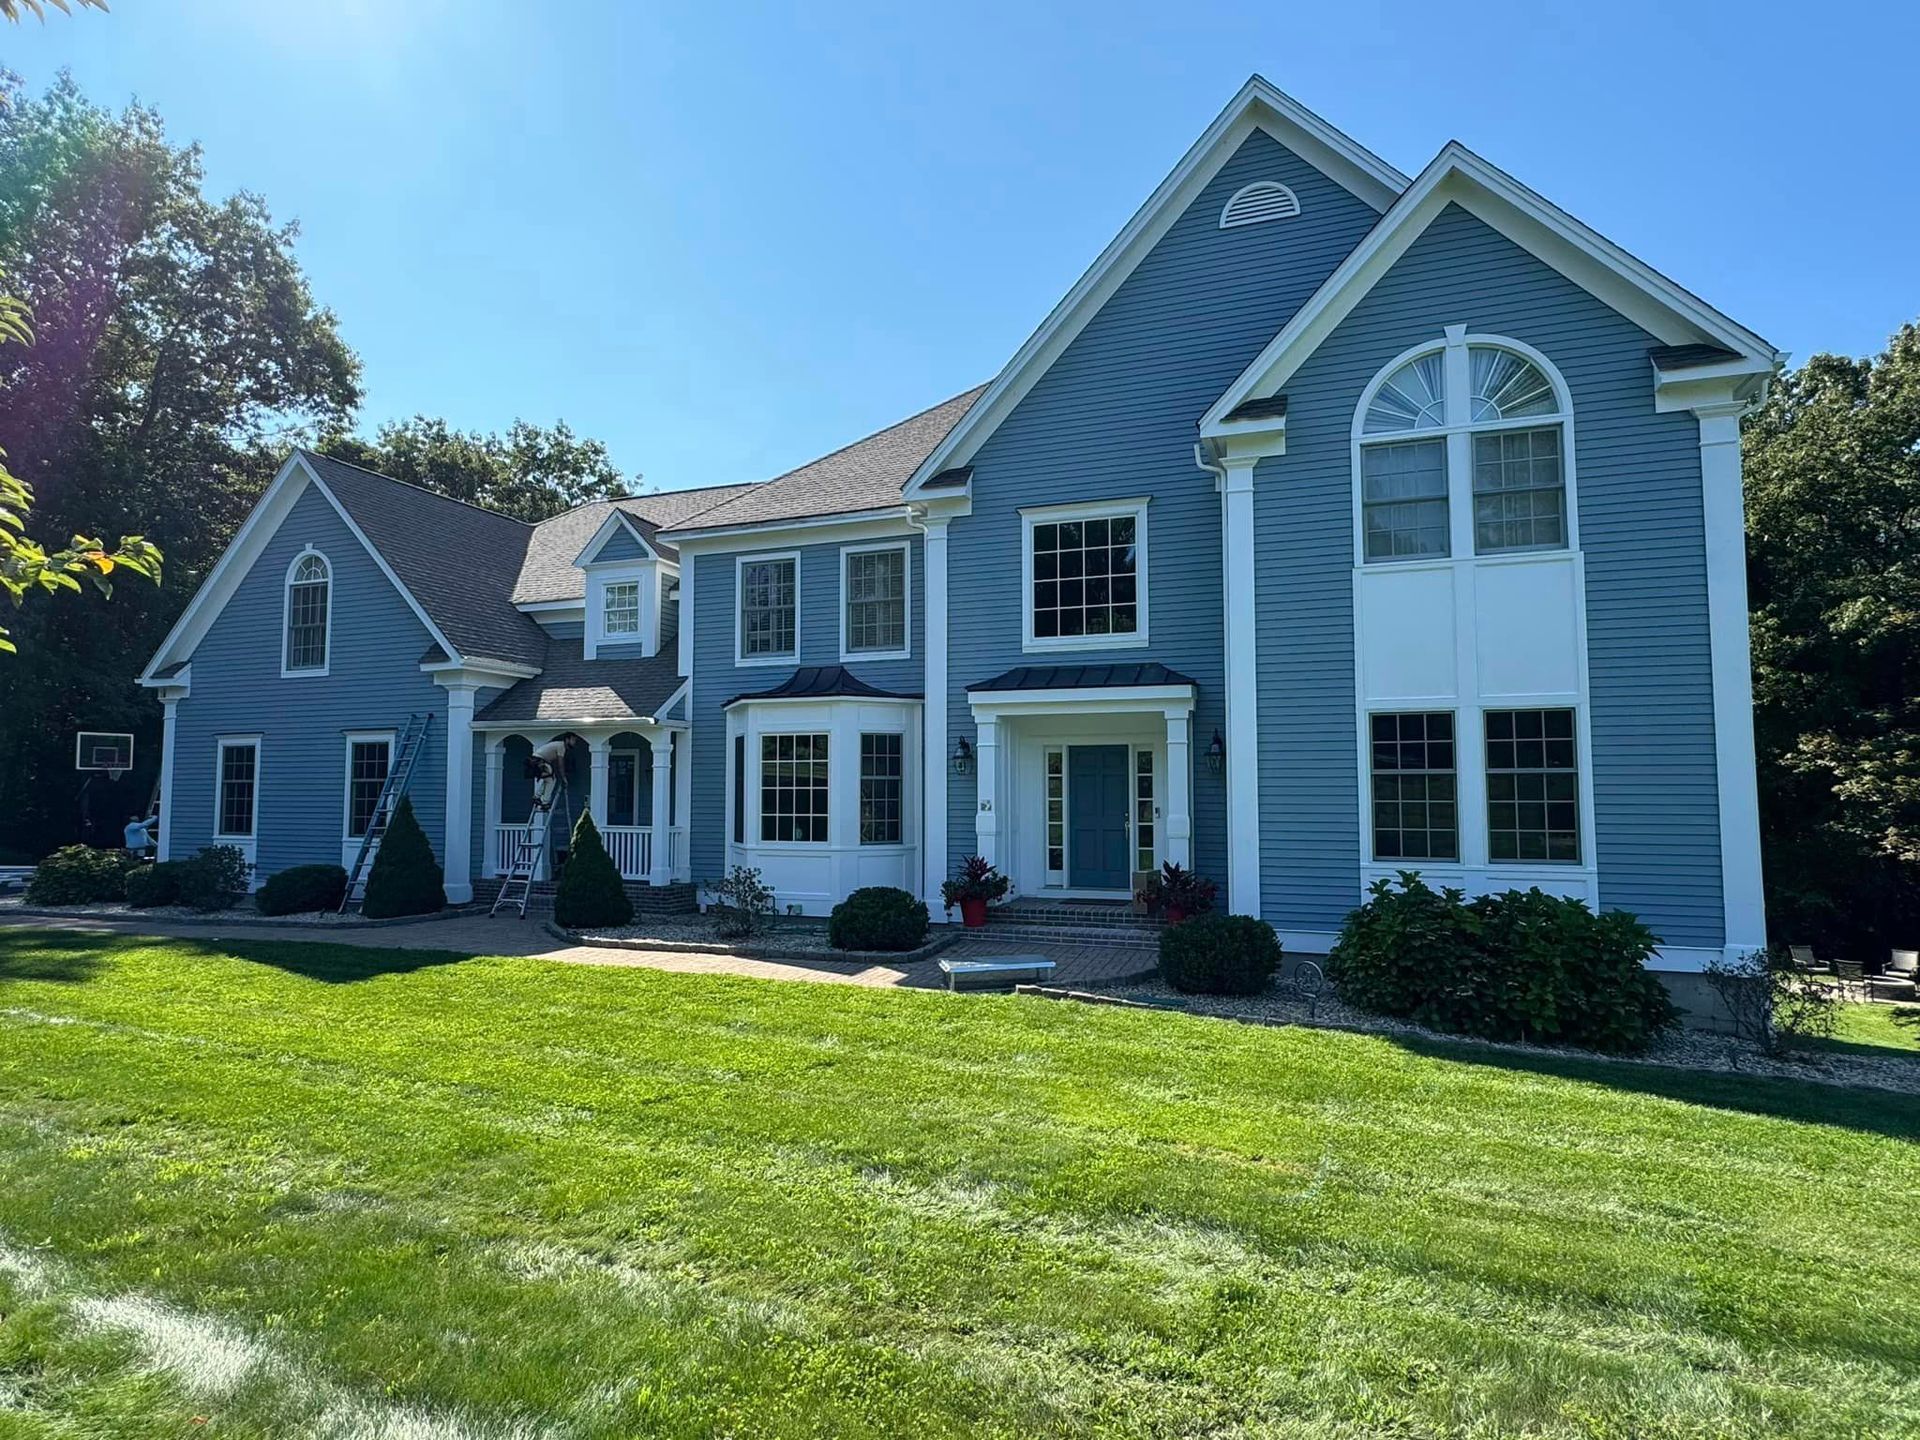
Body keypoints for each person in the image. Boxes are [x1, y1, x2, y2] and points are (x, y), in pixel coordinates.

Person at [527, 736, 576, 811]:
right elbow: (560, 763)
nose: (574, 742)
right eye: (573, 740)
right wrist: (564, 778)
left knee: (548, 780)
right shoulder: (561, 746)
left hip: (536, 761)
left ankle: (537, 797)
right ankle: (545, 803)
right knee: (552, 780)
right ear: (567, 739)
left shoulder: (557, 745)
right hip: (539, 761)